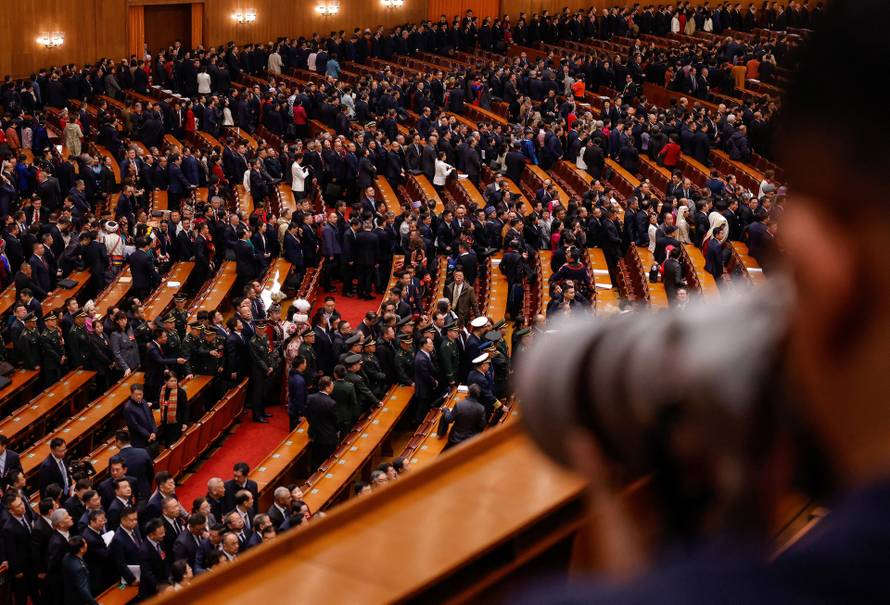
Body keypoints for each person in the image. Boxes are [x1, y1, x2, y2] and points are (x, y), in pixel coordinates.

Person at [306, 376, 339, 469]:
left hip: (314, 435)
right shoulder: (331, 403)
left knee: (315, 462)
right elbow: (335, 421)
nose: (333, 387)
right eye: (332, 385)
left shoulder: (310, 398)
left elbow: (307, 415)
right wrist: (337, 432)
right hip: (328, 437)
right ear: (327, 387)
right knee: (328, 463)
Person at [62, 535, 99, 605]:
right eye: (85, 543)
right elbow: (83, 589)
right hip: (78, 600)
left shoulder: (67, 556)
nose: (86, 544)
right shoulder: (78, 568)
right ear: (81, 549)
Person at [158, 371, 189, 447]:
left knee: (175, 444)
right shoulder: (162, 390)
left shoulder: (181, 392)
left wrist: (185, 422)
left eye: (175, 380)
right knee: (167, 443)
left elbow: (186, 408)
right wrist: (152, 403)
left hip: (176, 421)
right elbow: (160, 402)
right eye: (171, 381)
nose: (174, 382)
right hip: (165, 421)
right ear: (166, 381)